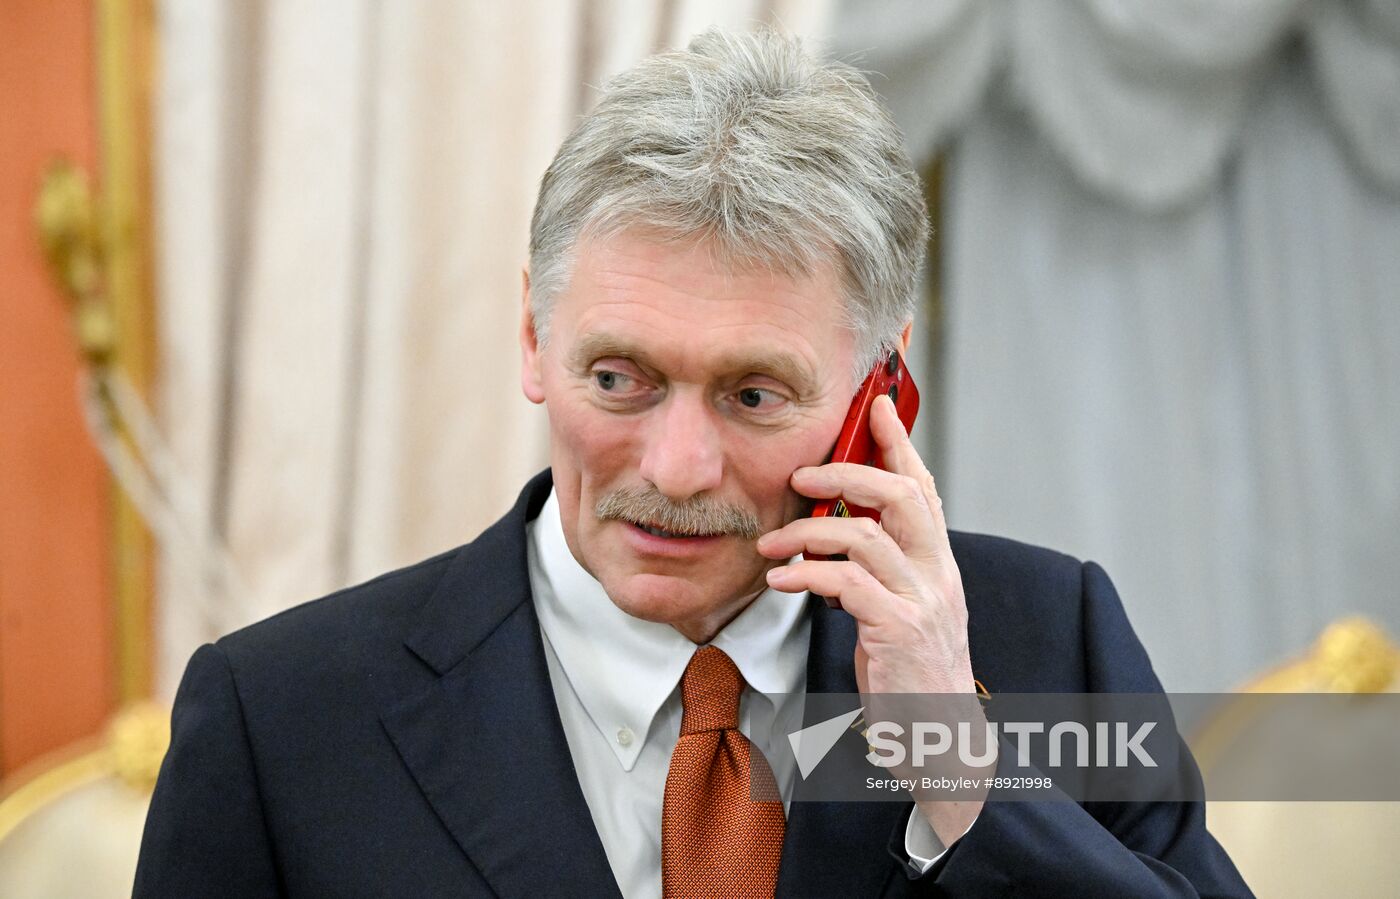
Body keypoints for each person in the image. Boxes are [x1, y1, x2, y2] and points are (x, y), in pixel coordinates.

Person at [134, 28, 1250, 898]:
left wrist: (961, 769)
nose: (671, 468)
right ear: (533, 335)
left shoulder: (1048, 634)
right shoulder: (279, 718)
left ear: (881, 383)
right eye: (617, 378)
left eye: (752, 394)